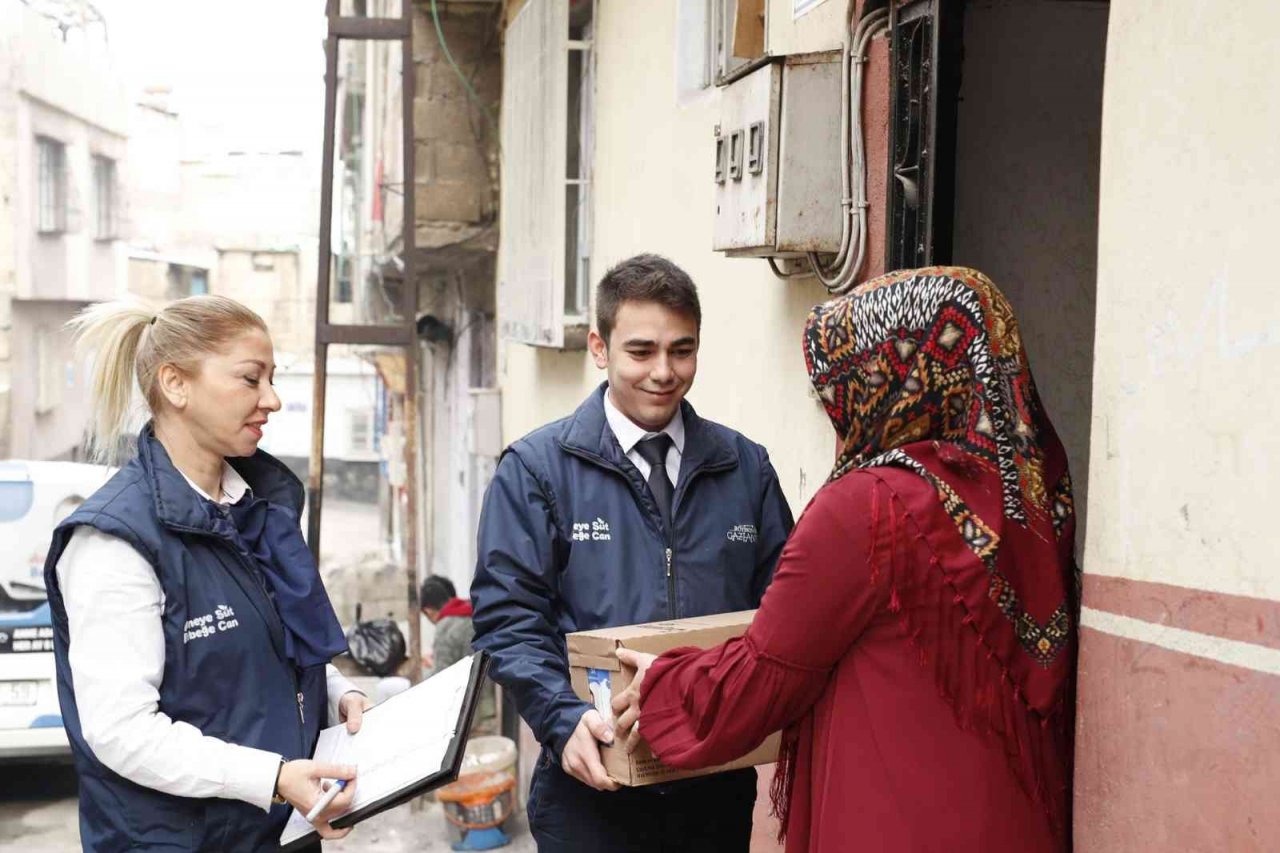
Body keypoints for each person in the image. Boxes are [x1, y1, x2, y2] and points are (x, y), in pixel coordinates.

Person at [613, 267, 1079, 852]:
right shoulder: (1033, 496)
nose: (832, 408)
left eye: (837, 388)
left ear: (887, 381)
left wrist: (665, 685)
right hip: (1014, 819)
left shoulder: (867, 506)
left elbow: (768, 674)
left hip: (895, 817)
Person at [470, 254, 795, 852]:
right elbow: (506, 622)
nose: (664, 372)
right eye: (641, 351)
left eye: (682, 350)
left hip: (714, 787)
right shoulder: (538, 471)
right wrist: (560, 720)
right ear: (600, 346)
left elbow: (785, 616)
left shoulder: (746, 469)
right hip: (591, 790)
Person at [43, 296, 375, 852]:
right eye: (251, 379)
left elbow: (268, 639)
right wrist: (272, 778)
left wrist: (335, 693)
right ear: (176, 384)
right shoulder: (114, 539)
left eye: (272, 378)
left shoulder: (255, 506)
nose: (271, 399)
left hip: (278, 833)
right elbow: (121, 730)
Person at [420, 574, 496, 732]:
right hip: (488, 708)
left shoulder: (445, 627)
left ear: (428, 611)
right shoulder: (472, 613)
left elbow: (442, 678)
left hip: (467, 716)